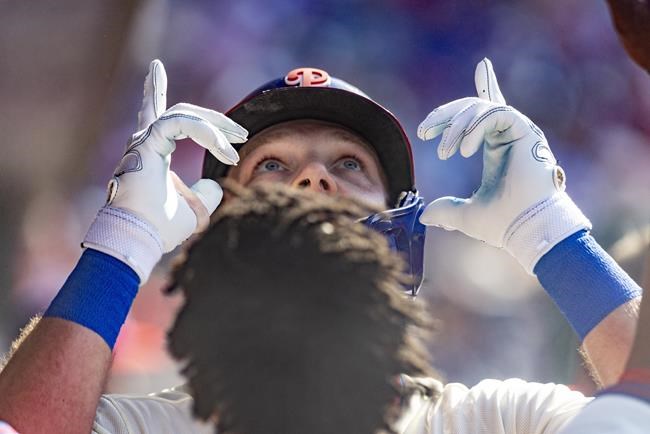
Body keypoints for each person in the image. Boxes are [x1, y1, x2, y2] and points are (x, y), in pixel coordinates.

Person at [0, 58, 642, 433]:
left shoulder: (493, 423)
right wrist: (121, 243)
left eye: (350, 165)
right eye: (273, 167)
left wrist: (551, 235)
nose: (314, 178)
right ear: (213, 240)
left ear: (403, 244)